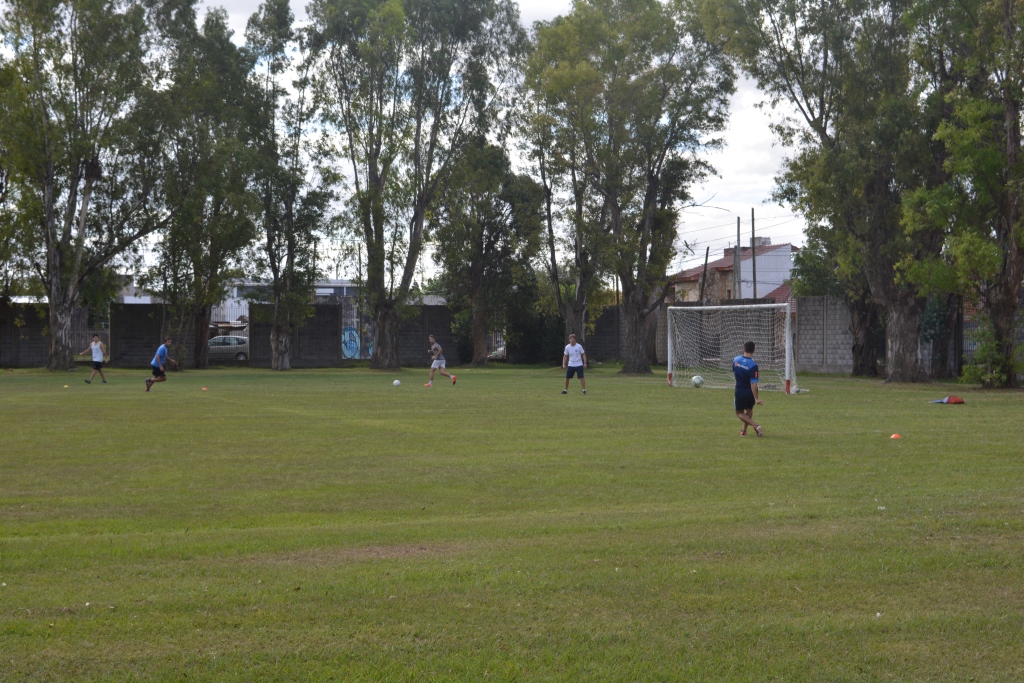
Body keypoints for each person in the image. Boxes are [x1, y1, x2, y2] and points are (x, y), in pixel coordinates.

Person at [733, 340, 763, 436]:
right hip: (750, 392)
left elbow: (735, 372)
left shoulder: (736, 360)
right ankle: (743, 431)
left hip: (740, 391)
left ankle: (755, 426)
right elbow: (753, 384)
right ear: (754, 350)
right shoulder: (753, 365)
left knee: (739, 413)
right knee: (749, 409)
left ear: (744, 349)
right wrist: (756, 398)